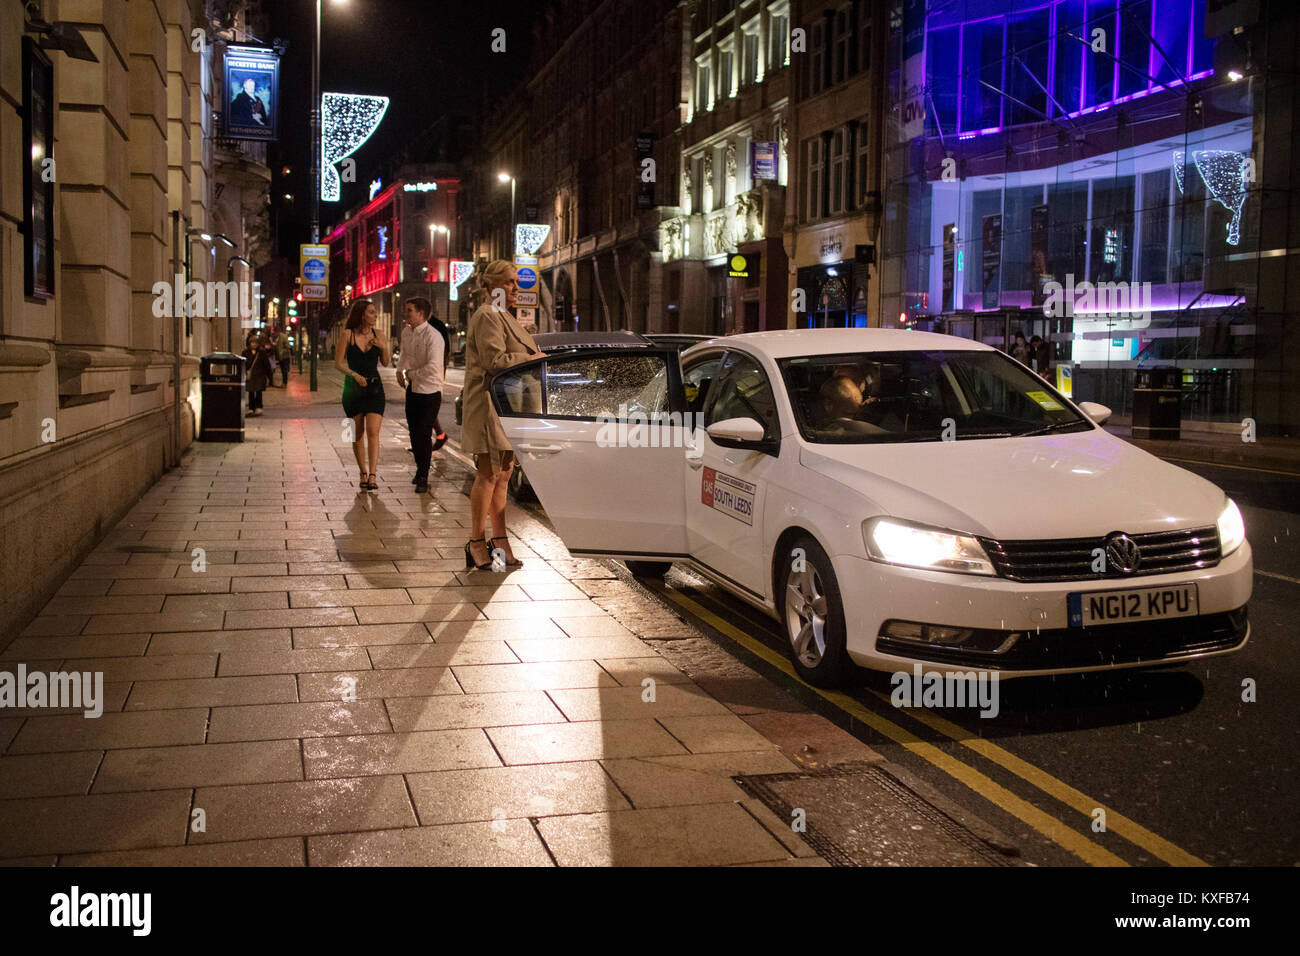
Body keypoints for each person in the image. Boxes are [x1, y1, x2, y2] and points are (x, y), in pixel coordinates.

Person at [460, 260, 541, 569]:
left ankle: (500, 539)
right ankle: (476, 541)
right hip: (487, 404)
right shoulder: (487, 315)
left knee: (504, 474)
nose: (516, 287)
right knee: (488, 474)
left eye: (516, 282)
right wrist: (532, 357)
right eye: (509, 282)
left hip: (506, 404)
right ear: (492, 285)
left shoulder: (504, 314)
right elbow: (495, 360)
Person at [334, 299, 391, 491]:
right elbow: (339, 363)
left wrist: (383, 347)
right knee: (357, 434)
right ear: (362, 315)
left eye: (374, 312)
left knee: (373, 432)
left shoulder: (380, 334)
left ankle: (373, 475)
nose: (375, 316)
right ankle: (362, 472)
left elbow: (385, 362)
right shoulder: (347, 335)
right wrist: (354, 374)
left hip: (375, 390)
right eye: (372, 312)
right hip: (353, 390)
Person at [397, 296, 445, 494]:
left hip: (430, 390)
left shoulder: (433, 336)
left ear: (420, 313)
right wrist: (400, 370)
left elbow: (434, 366)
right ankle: (419, 469)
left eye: (409, 310)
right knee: (414, 433)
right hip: (413, 389)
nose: (406, 313)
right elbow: (404, 354)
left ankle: (424, 476)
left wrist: (411, 374)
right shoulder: (407, 332)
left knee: (424, 433)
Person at [242, 334, 273, 417]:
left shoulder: (262, 352)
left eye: (255, 343)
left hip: (260, 375)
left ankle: (258, 407)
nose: (254, 344)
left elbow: (267, 364)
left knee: (259, 391)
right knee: (251, 392)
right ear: (249, 343)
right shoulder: (245, 352)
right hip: (251, 375)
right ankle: (251, 408)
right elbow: (243, 364)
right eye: (252, 343)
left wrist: (269, 377)